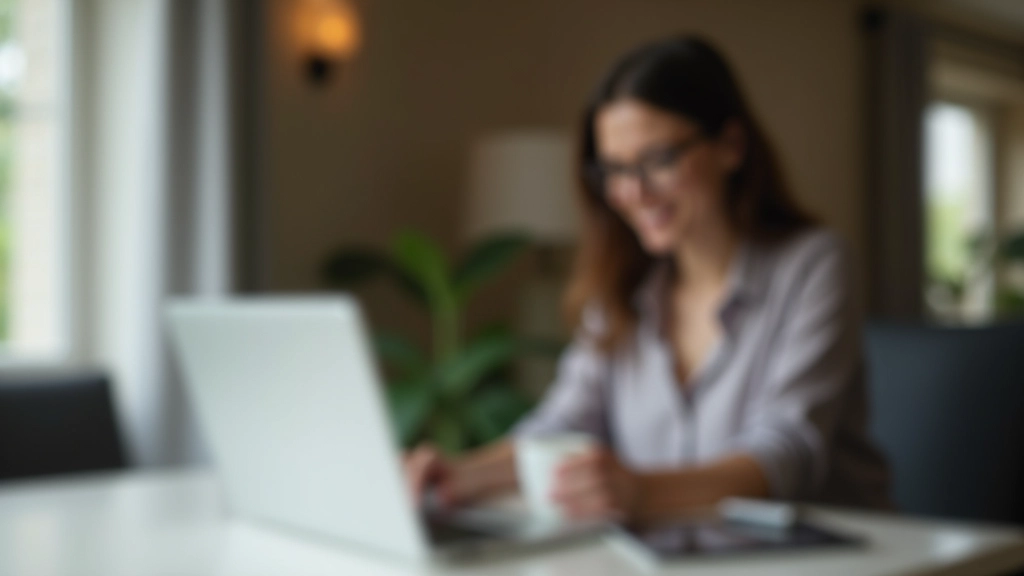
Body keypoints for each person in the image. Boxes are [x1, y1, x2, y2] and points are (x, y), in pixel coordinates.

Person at [406, 35, 890, 524]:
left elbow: (786, 452)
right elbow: (564, 424)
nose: (633, 192)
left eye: (659, 159)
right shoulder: (623, 287)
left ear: (731, 146)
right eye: (614, 169)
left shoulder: (814, 264)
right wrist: (456, 474)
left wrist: (642, 492)